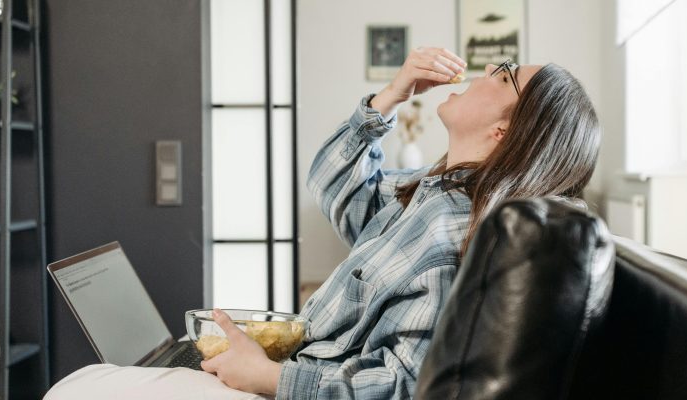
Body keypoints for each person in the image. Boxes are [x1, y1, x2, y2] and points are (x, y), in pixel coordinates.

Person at [43, 46, 600, 399]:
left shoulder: (454, 234)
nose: (486, 71)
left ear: (506, 132)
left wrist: (268, 378)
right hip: (288, 368)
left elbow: (407, 387)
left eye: (504, 76)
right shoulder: (432, 194)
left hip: (290, 385)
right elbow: (335, 184)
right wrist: (389, 96)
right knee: (92, 381)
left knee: (79, 388)